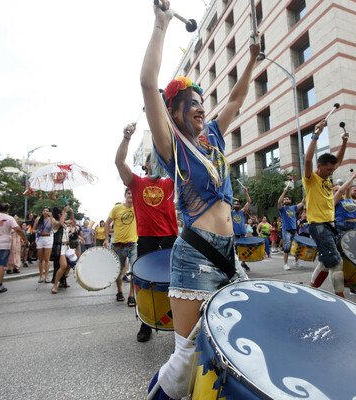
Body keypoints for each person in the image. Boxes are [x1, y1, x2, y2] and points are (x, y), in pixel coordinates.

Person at [140, 2, 256, 397]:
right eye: (191, 104)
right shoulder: (172, 146)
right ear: (173, 111)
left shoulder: (213, 142)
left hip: (230, 252)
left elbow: (237, 101)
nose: (200, 108)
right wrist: (160, 26)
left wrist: (252, 58)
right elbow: (146, 82)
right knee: (189, 355)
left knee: (237, 338)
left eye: (201, 104)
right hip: (194, 256)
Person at [115, 122, 178, 342]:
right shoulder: (136, 183)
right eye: (153, 160)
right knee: (144, 282)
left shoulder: (170, 182)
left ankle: (178, 323)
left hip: (170, 238)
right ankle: (146, 324)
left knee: (175, 281)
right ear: (146, 164)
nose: (157, 163)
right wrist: (126, 137)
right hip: (147, 240)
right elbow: (119, 162)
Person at [304, 119, 348, 297]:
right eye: (329, 170)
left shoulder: (327, 178)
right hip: (319, 225)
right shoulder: (311, 179)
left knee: (325, 261)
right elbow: (308, 159)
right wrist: (316, 135)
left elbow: (338, 161)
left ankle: (311, 291)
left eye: (332, 170)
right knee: (336, 263)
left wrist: (344, 142)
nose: (332, 172)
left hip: (329, 224)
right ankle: (340, 297)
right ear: (319, 166)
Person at [104, 188, 138, 306]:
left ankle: (131, 295)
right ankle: (119, 292)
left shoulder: (138, 208)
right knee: (119, 270)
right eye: (129, 193)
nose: (131, 195)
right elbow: (107, 223)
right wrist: (105, 239)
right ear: (125, 195)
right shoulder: (116, 208)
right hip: (118, 245)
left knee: (134, 270)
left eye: (133, 193)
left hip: (133, 244)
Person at [277, 187, 305, 270]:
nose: (286, 200)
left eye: (287, 199)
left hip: (294, 230)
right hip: (286, 230)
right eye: (285, 199)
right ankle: (285, 264)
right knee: (287, 247)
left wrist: (306, 192)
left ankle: (296, 262)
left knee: (297, 246)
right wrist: (284, 192)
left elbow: (303, 202)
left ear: (290, 201)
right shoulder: (282, 209)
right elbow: (279, 202)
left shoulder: (293, 208)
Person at [51, 206, 75, 294]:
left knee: (70, 265)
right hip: (60, 247)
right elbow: (60, 222)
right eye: (63, 213)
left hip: (66, 247)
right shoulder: (56, 223)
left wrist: (72, 212)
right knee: (63, 266)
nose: (65, 215)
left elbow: (72, 221)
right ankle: (55, 285)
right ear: (59, 214)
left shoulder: (64, 223)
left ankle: (62, 281)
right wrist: (65, 211)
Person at [231, 187, 252, 271]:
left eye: (237, 204)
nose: (235, 205)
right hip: (235, 234)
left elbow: (249, 202)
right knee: (235, 250)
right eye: (234, 204)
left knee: (244, 249)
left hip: (243, 233)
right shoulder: (231, 212)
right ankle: (236, 266)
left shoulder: (242, 211)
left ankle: (243, 263)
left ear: (240, 206)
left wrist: (246, 192)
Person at [32, 207, 54, 283]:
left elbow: (54, 227)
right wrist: (36, 231)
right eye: (44, 211)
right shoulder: (38, 219)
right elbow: (33, 230)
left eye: (47, 211)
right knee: (40, 259)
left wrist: (51, 216)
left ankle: (47, 276)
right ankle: (41, 276)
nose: (45, 212)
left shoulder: (51, 219)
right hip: (40, 238)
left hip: (48, 238)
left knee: (47, 259)